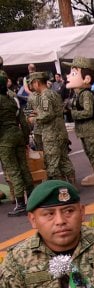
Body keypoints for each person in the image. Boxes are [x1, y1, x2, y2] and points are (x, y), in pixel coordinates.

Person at [25, 72, 76, 184]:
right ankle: (72, 184)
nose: (32, 86)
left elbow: (47, 114)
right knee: (64, 159)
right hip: (60, 131)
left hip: (50, 133)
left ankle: (60, 189)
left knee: (52, 163)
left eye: (32, 84)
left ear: (37, 83)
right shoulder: (54, 93)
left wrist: (32, 119)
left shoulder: (44, 95)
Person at [66, 56, 94, 186]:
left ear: (87, 79)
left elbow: (88, 112)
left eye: (73, 73)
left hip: (90, 129)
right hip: (85, 130)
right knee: (89, 152)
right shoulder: (78, 94)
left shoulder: (86, 94)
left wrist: (73, 113)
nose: (68, 76)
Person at [0, 73, 34, 216]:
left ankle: (20, 203)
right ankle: (32, 198)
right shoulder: (12, 98)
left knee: (13, 170)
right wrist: (26, 140)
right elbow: (23, 122)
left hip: (4, 139)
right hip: (18, 135)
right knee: (24, 168)